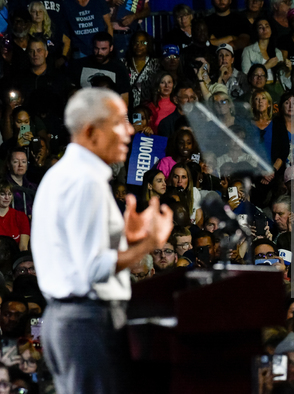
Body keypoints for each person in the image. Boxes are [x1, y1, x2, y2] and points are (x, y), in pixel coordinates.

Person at [31, 88, 173, 393]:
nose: (130, 130)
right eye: (120, 122)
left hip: (69, 321)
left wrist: (124, 238)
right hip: (88, 323)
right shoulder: (85, 182)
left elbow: (77, 253)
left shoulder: (62, 174)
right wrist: (150, 242)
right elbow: (92, 269)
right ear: (92, 131)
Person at [68, 32, 130, 104]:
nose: (99, 53)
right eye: (96, 48)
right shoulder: (80, 64)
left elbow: (124, 97)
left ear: (111, 48)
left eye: (103, 49)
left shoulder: (119, 68)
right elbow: (71, 90)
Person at [123, 31, 161, 108]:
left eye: (143, 43)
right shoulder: (124, 63)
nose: (139, 46)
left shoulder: (156, 63)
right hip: (129, 108)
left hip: (149, 109)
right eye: (136, 42)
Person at [0, 180, 29, 251]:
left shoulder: (21, 216)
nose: (7, 198)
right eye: (2, 194)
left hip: (15, 259)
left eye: (9, 194)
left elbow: (23, 247)